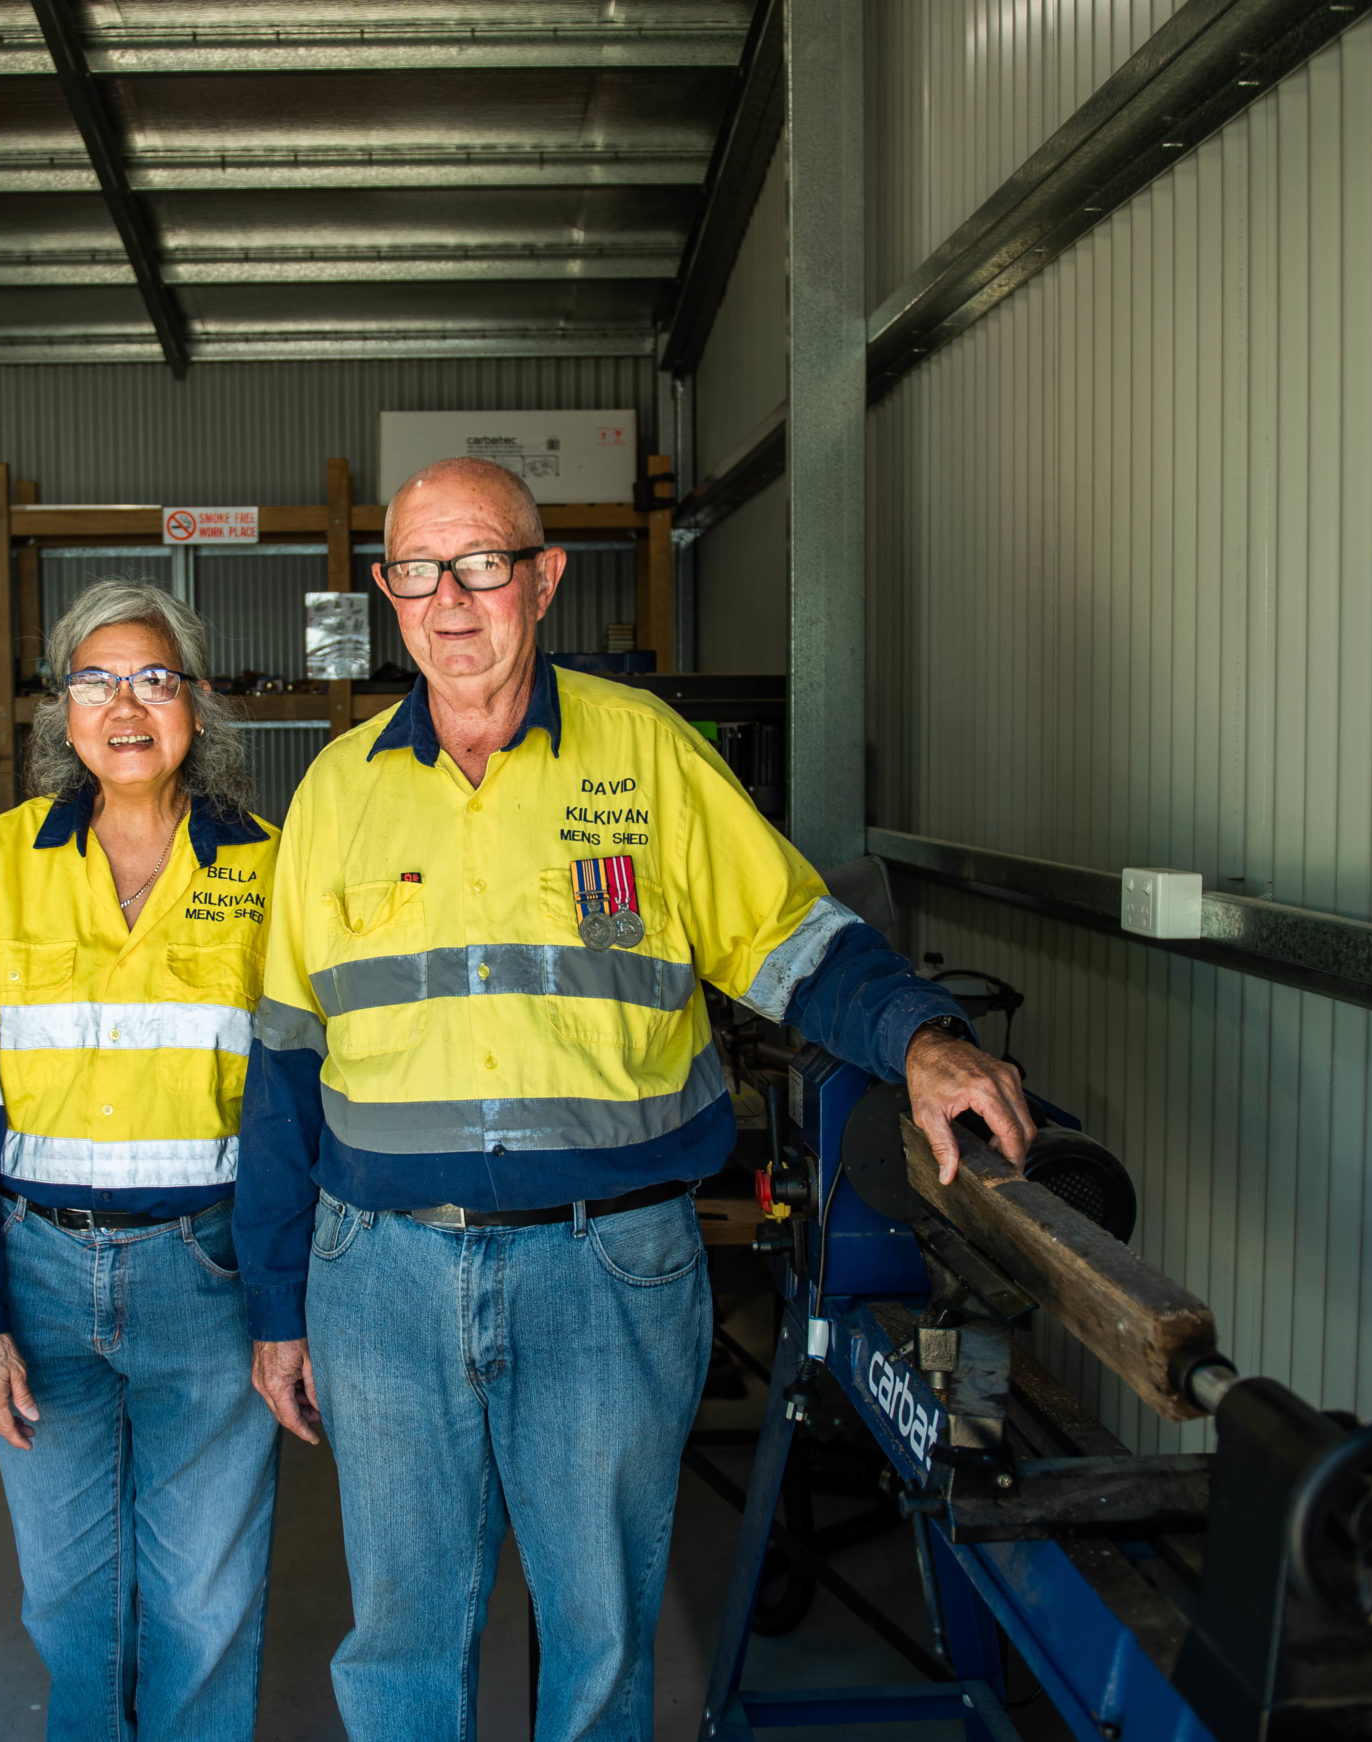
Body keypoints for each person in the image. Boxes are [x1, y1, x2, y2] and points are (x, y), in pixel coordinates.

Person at [234, 457, 1036, 1741]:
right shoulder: (334, 789)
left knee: (601, 1630)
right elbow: (282, 1064)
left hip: (604, 1269)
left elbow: (793, 940)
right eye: (417, 571)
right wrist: (276, 1302)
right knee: (398, 1635)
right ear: (387, 592)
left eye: (482, 563)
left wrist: (923, 1038)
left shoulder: (645, 753)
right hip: (376, 1276)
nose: (450, 600)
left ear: (543, 579)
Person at [0, 580, 282, 1742]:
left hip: (209, 1276)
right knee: (68, 1599)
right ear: (61, 711)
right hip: (38, 1275)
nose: (126, 704)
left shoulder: (268, 867)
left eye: (154, 677)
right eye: (95, 678)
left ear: (197, 706)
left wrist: (286, 1302)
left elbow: (292, 1111)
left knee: (203, 1597)